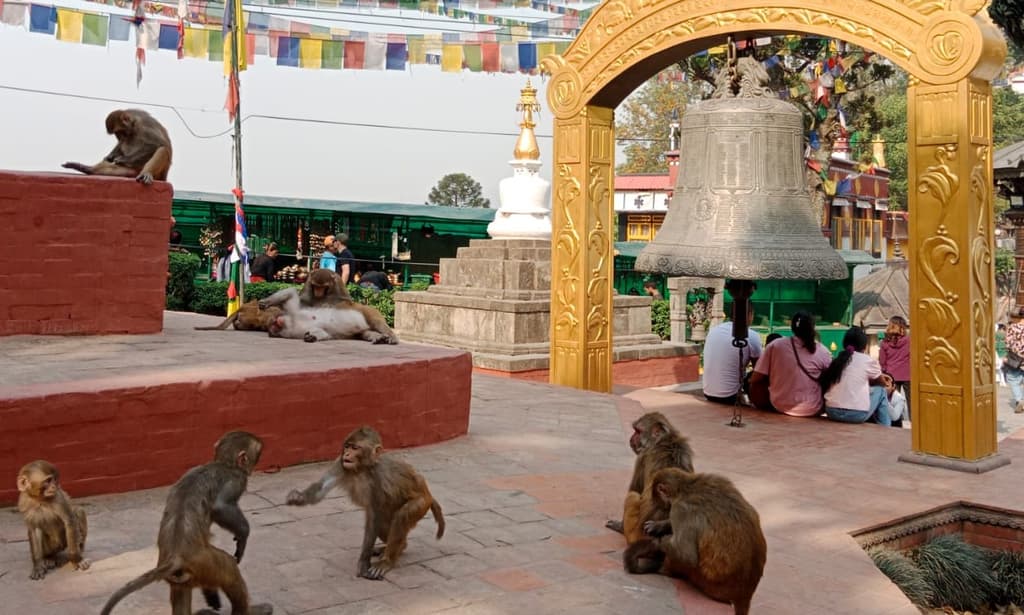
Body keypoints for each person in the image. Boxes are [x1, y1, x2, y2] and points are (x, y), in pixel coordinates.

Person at [749, 311, 833, 417]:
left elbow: (756, 377)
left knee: (755, 382)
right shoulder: (823, 351)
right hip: (813, 408)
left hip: (779, 405)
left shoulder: (776, 345)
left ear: (792, 327)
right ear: (813, 328)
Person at [820, 327, 893, 426]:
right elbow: (881, 383)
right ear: (864, 345)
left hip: (831, 411)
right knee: (881, 391)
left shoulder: (837, 360)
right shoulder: (868, 360)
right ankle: (885, 429)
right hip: (856, 414)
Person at [701, 303, 762, 405]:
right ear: (749, 314)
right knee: (759, 375)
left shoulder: (714, 330)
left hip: (708, 393)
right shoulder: (752, 335)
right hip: (730, 396)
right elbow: (760, 369)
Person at [878, 315, 911, 417]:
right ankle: (913, 422)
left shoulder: (884, 343)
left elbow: (882, 361)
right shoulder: (910, 341)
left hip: (891, 376)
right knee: (911, 401)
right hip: (908, 375)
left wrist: (884, 374)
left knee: (892, 401)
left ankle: (894, 421)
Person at [1003, 309, 1024, 413]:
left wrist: (1005, 355)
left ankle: (1019, 400)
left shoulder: (1013, 327)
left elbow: (1007, 342)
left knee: (1012, 379)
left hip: (1015, 358)